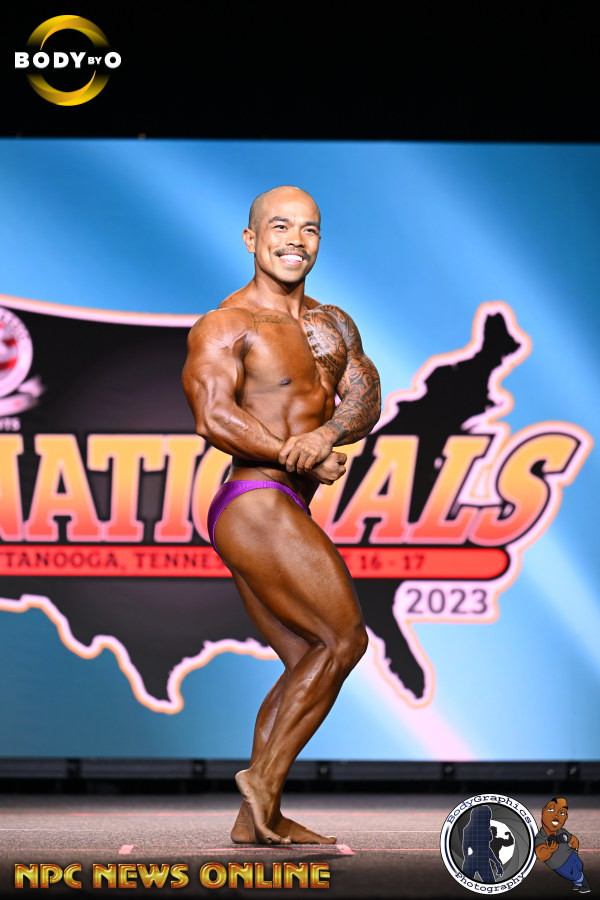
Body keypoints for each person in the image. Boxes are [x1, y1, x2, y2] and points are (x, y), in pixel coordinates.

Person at [182, 185, 381, 845]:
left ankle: (254, 819)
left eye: (310, 229)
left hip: (285, 498)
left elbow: (365, 395)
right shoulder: (226, 324)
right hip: (255, 499)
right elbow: (213, 416)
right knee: (345, 640)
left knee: (306, 657)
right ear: (251, 239)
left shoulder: (333, 323)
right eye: (280, 227)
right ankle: (263, 781)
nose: (296, 240)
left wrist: (323, 437)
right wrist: (291, 453)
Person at [534, 797, 590, 893]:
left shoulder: (561, 831)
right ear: (543, 811)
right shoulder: (541, 837)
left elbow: (573, 840)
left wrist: (575, 851)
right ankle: (583, 883)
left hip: (571, 855)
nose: (556, 815)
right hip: (558, 864)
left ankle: (577, 883)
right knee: (573, 875)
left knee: (579, 866)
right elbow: (541, 855)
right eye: (551, 809)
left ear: (565, 817)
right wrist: (549, 851)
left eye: (562, 813)